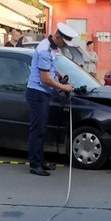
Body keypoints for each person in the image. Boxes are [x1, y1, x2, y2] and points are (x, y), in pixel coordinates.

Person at [25, 22, 77, 176]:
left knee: (41, 129)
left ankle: (40, 161)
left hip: (42, 94)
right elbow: (45, 79)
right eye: (64, 43)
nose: (65, 47)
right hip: (37, 93)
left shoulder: (51, 46)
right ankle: (35, 165)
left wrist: (60, 75)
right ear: (58, 37)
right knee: (37, 131)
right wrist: (64, 87)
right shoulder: (45, 50)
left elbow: (50, 69)